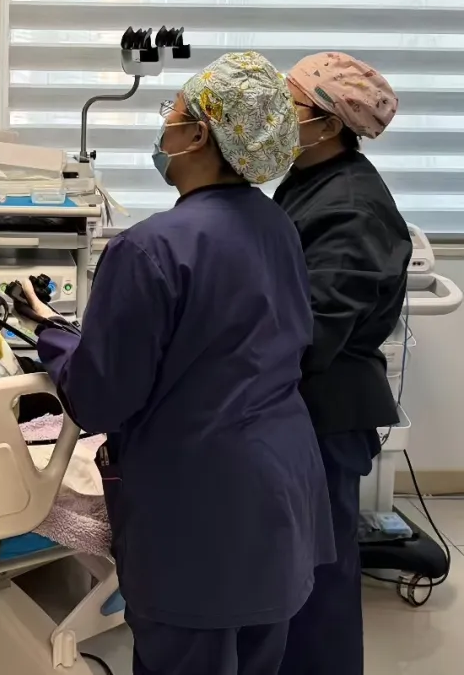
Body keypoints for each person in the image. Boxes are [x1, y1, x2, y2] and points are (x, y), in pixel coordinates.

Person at [30, 52, 334, 675]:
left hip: (200, 507)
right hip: (281, 490)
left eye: (170, 113)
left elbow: (99, 400)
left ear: (198, 135)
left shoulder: (149, 250)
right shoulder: (277, 227)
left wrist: (53, 338)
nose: (162, 128)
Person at [275, 53, 410, 675]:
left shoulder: (353, 206)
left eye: (288, 105)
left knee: (317, 578)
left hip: (325, 412)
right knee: (290, 568)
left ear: (329, 124)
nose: (271, 116)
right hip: (301, 406)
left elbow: (313, 328)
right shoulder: (308, 176)